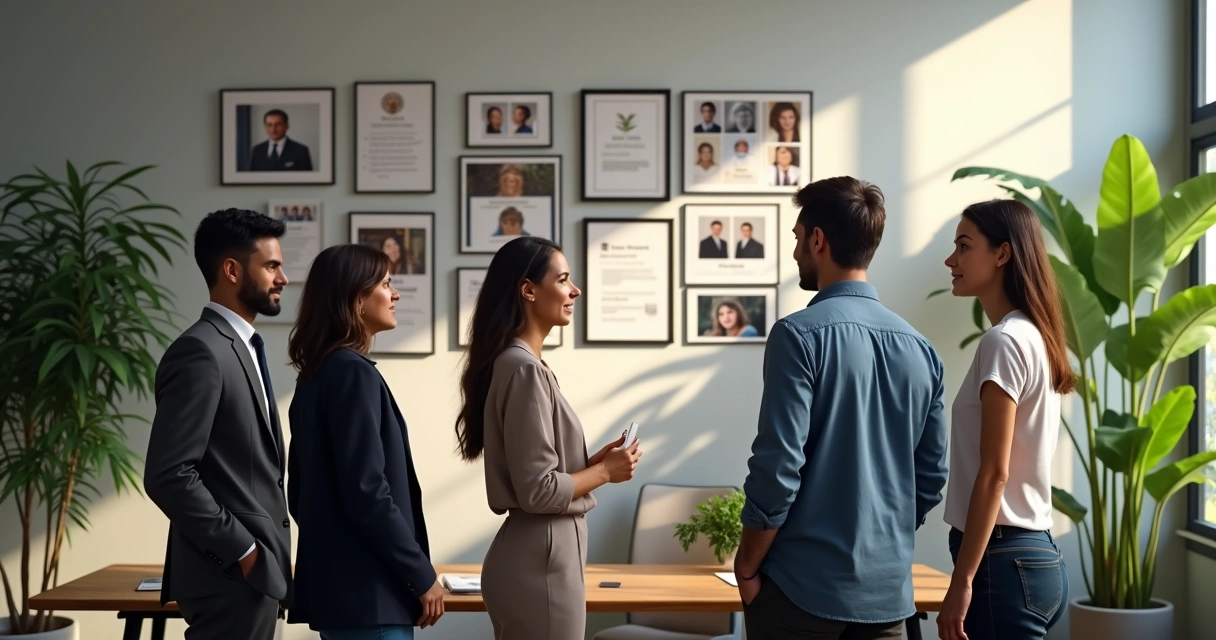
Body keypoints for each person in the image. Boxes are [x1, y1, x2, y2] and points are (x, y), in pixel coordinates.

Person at [735, 177, 949, 639]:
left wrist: (746, 565)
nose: (796, 251)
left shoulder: (797, 336)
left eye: (798, 238)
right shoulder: (922, 350)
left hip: (799, 593)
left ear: (818, 239)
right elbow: (931, 475)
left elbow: (778, 468)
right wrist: (882, 537)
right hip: (888, 597)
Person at [454, 236, 643, 640]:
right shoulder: (524, 369)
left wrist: (591, 466)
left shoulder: (522, 364)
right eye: (563, 279)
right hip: (542, 563)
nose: (575, 290)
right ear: (528, 290)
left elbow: (539, 476)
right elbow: (539, 491)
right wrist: (605, 473)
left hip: (539, 557)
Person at [143, 209, 292, 640]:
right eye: (271, 266)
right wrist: (244, 552)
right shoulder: (200, 351)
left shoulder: (241, 346)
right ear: (231, 270)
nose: (283, 278)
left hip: (254, 580)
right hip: (229, 578)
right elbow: (169, 474)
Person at [285, 244, 445, 640]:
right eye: (386, 284)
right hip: (372, 601)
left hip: (344, 599)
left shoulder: (314, 376)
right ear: (357, 299)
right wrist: (420, 574)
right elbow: (367, 492)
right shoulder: (352, 374)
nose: (395, 295)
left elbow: (300, 493)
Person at [936, 199, 1072, 640]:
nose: (951, 260)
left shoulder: (1005, 341)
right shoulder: (1033, 336)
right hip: (1033, 557)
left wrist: (962, 582)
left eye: (964, 246)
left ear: (1002, 253)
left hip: (1003, 563)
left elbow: (995, 473)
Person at [248, 109, 313, 171]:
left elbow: (307, 178)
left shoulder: (301, 151)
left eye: (278, 124)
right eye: (269, 125)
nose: (273, 129)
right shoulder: (257, 150)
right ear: (265, 127)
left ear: (286, 126)